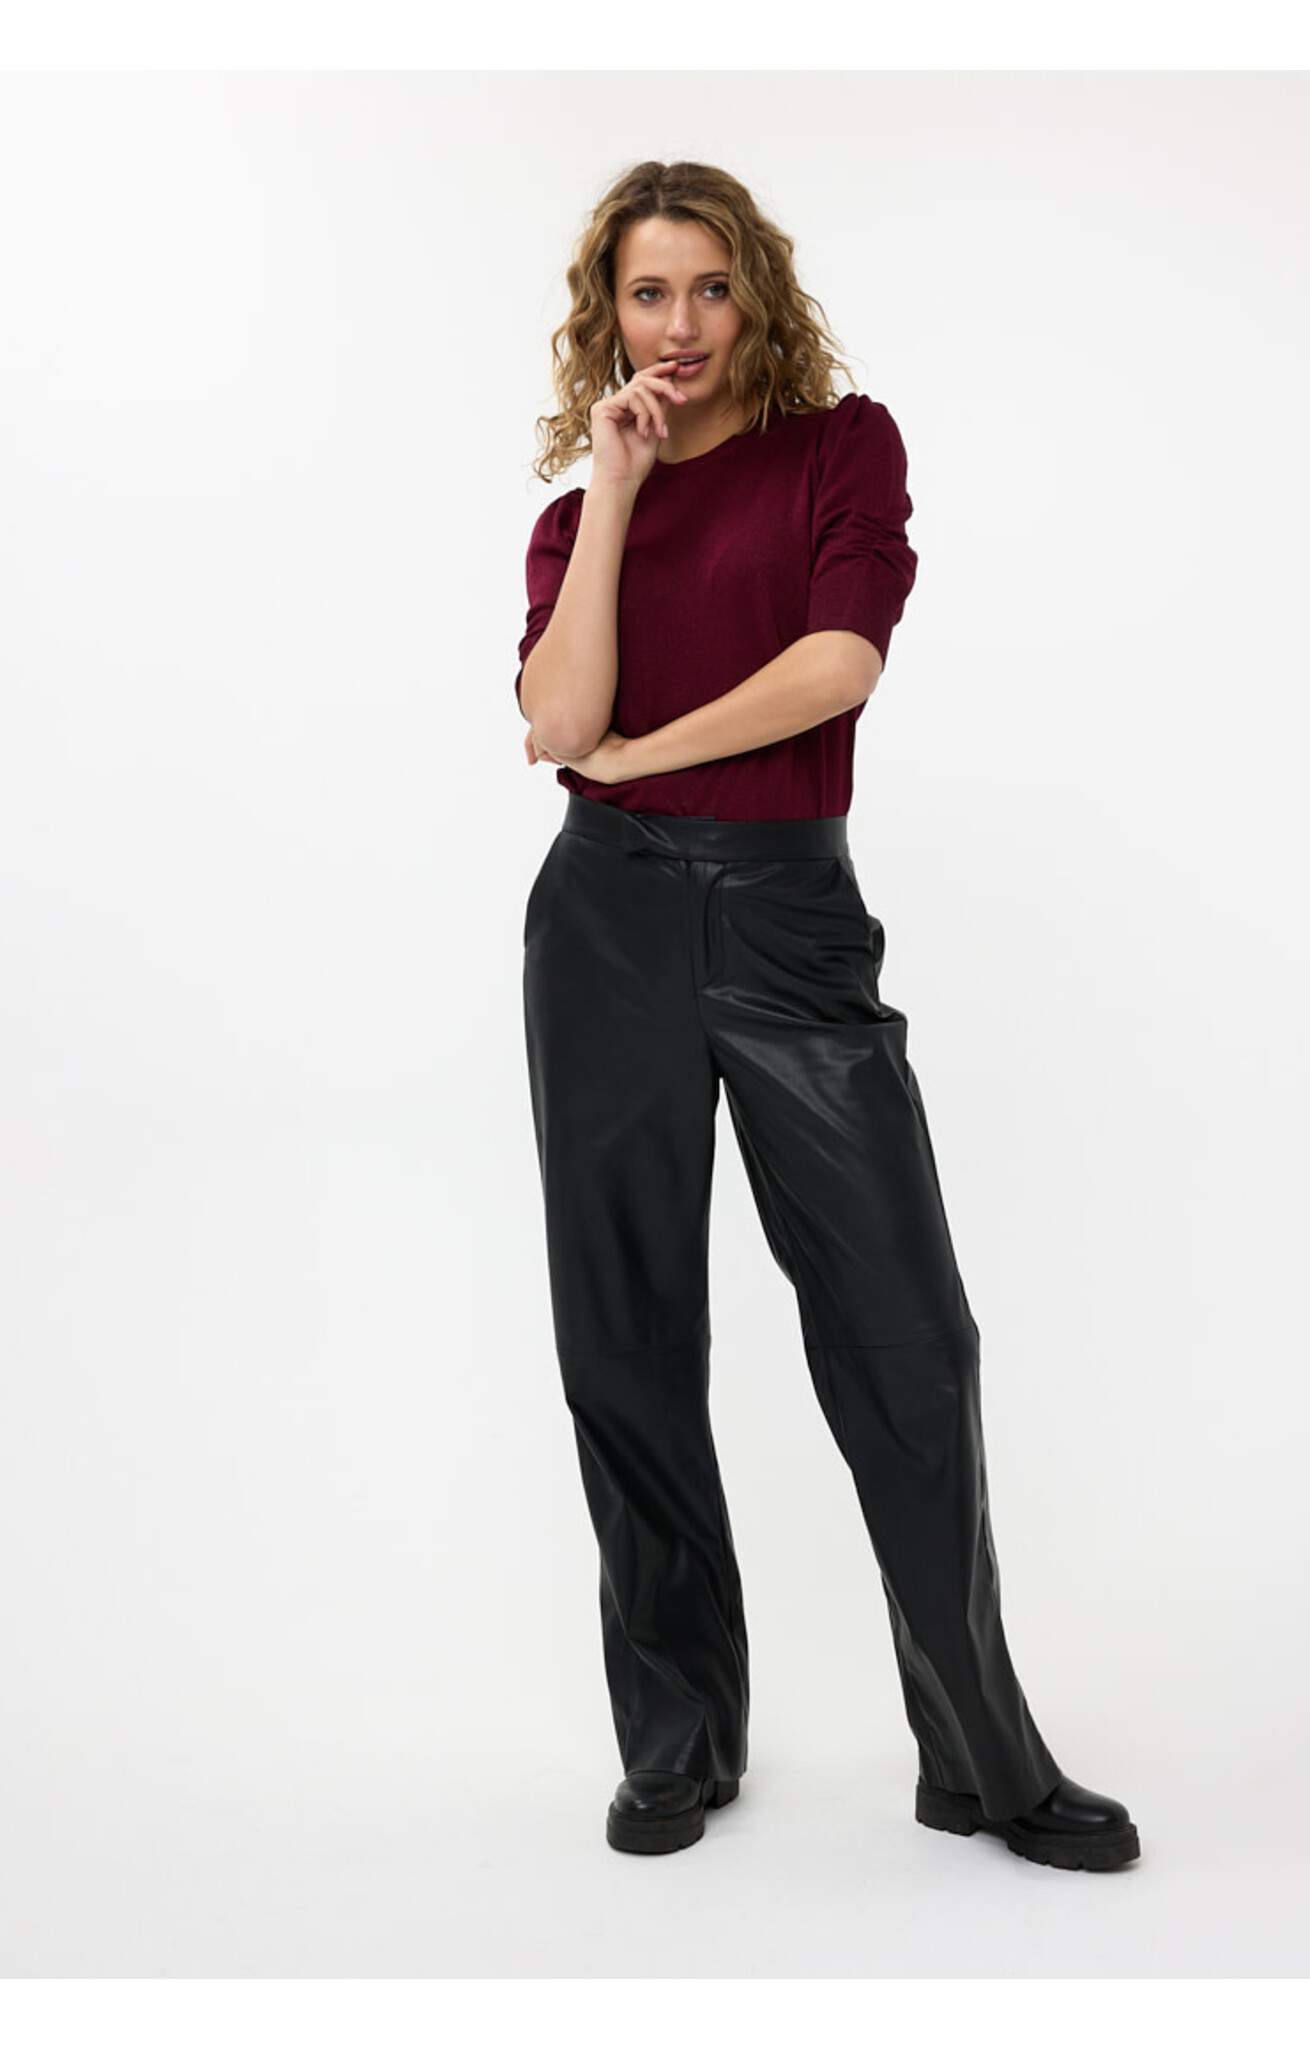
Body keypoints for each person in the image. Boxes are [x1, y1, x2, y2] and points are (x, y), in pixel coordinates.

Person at [515, 159, 1140, 1873]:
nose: (683, 325)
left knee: (908, 1336)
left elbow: (836, 664)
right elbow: (555, 718)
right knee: (626, 1334)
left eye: (711, 288)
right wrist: (615, 490)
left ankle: (980, 1754)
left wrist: (642, 756)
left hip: (789, 917)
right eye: (650, 293)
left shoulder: (839, 450)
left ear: (757, 297)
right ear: (608, 315)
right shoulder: (576, 521)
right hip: (606, 926)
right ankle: (677, 1739)